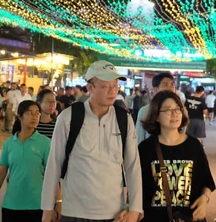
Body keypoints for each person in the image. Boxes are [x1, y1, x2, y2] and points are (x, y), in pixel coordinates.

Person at [41, 60, 143, 222]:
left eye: (115, 86)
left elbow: (133, 166)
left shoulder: (124, 119)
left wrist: (135, 208)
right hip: (74, 211)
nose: (112, 91)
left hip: (113, 212)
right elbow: (54, 163)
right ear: (90, 88)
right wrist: (47, 207)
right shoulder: (68, 117)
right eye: (105, 86)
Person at [138, 91, 216, 222]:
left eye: (178, 109)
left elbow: (207, 182)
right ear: (156, 116)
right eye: (168, 110)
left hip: (188, 218)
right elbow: (137, 188)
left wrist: (204, 199)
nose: (174, 114)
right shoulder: (146, 148)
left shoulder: (194, 146)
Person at [0, 100, 56, 222]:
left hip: (37, 205)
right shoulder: (9, 144)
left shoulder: (45, 143)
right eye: (29, 113)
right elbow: (1, 173)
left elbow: (51, 175)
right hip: (11, 204)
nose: (34, 117)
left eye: (37, 113)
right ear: (19, 117)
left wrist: (57, 203)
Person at [136, 72, 178, 144]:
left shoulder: (180, 110)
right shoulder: (145, 111)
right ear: (155, 89)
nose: (171, 88)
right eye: (165, 84)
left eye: (172, 84)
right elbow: (139, 139)